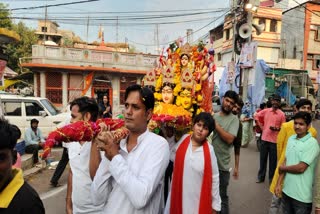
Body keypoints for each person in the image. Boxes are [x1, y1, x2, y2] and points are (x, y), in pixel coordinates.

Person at [91, 84, 170, 213]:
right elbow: (97, 198)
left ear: (148, 114)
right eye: (127, 105)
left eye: (135, 107)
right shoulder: (118, 144)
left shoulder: (158, 145)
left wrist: (114, 156)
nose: (128, 111)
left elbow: (140, 198)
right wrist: (108, 155)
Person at [164, 112, 221, 213]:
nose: (200, 129)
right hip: (178, 194)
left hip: (197, 200)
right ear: (193, 126)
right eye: (199, 125)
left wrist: (215, 205)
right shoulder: (184, 139)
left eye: (205, 128)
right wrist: (168, 135)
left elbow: (215, 178)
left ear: (208, 133)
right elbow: (172, 156)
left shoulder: (209, 151)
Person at [269, 99, 317, 214]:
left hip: (298, 176)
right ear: (296, 109)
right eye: (303, 108)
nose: (306, 110)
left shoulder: (313, 133)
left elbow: (308, 156)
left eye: (308, 108)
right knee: (276, 201)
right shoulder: (286, 127)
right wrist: (281, 167)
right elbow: (280, 148)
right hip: (284, 168)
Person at [65, 96, 104, 214]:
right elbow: (72, 172)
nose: (71, 121)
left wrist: (94, 140)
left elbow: (97, 177)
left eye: (74, 116)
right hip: (77, 209)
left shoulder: (103, 142)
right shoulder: (71, 140)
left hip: (99, 210)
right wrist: (68, 203)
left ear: (87, 116)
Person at [0, 118, 45, 213]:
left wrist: (41, 142)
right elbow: (29, 141)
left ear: (14, 157)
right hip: (30, 146)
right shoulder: (28, 131)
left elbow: (41, 137)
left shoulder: (28, 205)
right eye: (33, 123)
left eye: (1, 158)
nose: (35, 125)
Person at [210, 90, 239, 214]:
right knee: (209, 196)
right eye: (227, 100)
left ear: (234, 106)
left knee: (222, 197)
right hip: (209, 164)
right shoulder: (214, 116)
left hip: (222, 167)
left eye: (231, 103)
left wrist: (215, 125)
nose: (228, 104)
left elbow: (229, 139)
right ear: (222, 99)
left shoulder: (234, 120)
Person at [255, 94, 286, 183]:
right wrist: (261, 126)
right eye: (274, 100)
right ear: (271, 101)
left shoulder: (282, 114)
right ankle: (261, 177)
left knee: (273, 162)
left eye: (277, 101)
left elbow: (283, 128)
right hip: (264, 139)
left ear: (279, 103)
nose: (275, 102)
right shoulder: (266, 111)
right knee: (262, 160)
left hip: (275, 141)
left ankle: (271, 180)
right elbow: (256, 116)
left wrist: (277, 129)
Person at [231, 98, 244, 179]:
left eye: (238, 109)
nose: (235, 109)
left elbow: (237, 147)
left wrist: (236, 167)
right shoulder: (217, 117)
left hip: (224, 163)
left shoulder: (239, 125)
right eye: (234, 106)